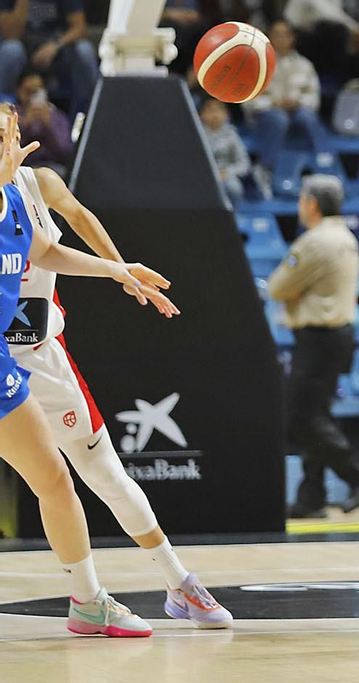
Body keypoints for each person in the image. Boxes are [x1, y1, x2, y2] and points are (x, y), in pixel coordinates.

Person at [9, 158, 230, 627]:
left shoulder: (32, 186)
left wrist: (118, 268)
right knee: (56, 480)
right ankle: (91, 601)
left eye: (5, 135)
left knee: (98, 472)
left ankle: (175, 581)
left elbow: (69, 228)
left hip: (40, 356)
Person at [0, 106, 179, 635]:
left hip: (9, 362)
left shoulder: (16, 199)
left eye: (11, 136)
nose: (15, 147)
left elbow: (51, 248)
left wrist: (116, 269)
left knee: (56, 480)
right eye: (4, 139)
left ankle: (88, 601)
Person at [268, 176, 359, 518]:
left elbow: (276, 287)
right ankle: (311, 497)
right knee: (315, 414)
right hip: (336, 336)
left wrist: (296, 293)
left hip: (318, 338)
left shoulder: (315, 241)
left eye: (302, 199)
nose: (299, 206)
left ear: (312, 204)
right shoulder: (345, 236)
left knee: (300, 415)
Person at [0, 0, 97, 117]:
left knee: (85, 50)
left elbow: (80, 27)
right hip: (23, 50)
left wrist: (55, 44)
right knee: (10, 51)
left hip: (55, 50)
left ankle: (87, 114)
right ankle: (4, 117)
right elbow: (11, 34)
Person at [246, 21, 325, 190]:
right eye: (277, 34)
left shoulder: (305, 65)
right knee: (279, 118)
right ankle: (266, 170)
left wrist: (298, 103)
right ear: (269, 37)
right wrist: (273, 103)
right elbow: (247, 99)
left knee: (309, 116)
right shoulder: (257, 63)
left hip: (298, 113)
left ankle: (325, 164)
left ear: (292, 38)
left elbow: (314, 96)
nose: (281, 39)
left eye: (285, 34)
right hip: (268, 115)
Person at [161, 0, 222, 77]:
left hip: (196, 56)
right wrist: (167, 14)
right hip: (166, 56)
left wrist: (197, 17)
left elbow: (216, 20)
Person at [15, 70, 72, 174]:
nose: (31, 96)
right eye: (27, 91)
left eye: (35, 91)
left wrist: (48, 125)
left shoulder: (58, 116)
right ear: (19, 91)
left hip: (54, 168)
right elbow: (9, 150)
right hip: (22, 168)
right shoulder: (12, 116)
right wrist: (25, 125)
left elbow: (65, 151)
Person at [198, 97, 250, 202]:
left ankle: (233, 216)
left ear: (226, 115)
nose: (214, 115)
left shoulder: (232, 135)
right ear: (201, 115)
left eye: (218, 110)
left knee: (234, 188)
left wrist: (227, 172)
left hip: (226, 174)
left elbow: (244, 164)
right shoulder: (196, 134)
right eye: (210, 110)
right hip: (202, 175)